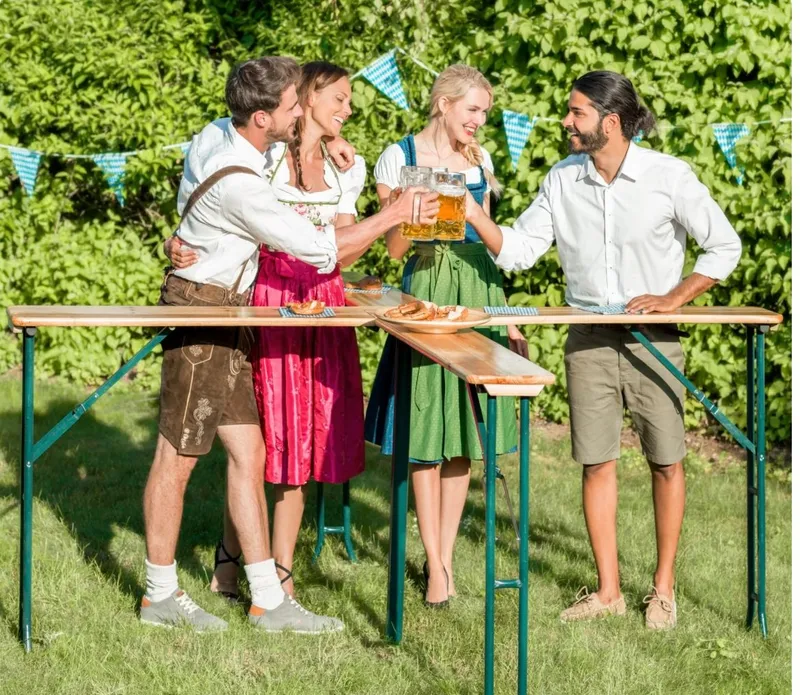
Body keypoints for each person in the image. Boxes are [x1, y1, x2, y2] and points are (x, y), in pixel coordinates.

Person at [141, 55, 438, 634]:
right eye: (292, 106)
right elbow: (319, 249)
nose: (301, 110)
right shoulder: (243, 187)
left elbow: (197, 183)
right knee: (176, 455)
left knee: (249, 453)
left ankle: (267, 599)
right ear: (261, 118)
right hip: (203, 309)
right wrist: (394, 214)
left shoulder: (220, 135)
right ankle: (159, 594)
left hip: (230, 307)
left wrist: (185, 233)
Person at [464, 70, 742, 630]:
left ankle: (663, 589)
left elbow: (723, 246)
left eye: (577, 113)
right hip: (587, 337)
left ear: (610, 122)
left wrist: (674, 297)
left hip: (653, 339)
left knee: (667, 460)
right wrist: (471, 213)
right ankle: (609, 590)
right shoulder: (562, 179)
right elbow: (519, 250)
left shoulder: (668, 176)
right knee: (596, 462)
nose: (566, 121)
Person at [167, 62, 370, 601]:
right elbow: (212, 199)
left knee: (290, 442)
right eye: (337, 98)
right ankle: (222, 568)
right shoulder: (260, 158)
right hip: (263, 300)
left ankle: (276, 576)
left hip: (313, 303)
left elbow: (343, 249)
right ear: (303, 100)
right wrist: (180, 239)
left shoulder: (342, 167)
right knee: (256, 439)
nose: (346, 110)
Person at [364, 64, 529, 608]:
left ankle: (445, 559)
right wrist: (409, 209)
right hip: (428, 288)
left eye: (485, 112)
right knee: (426, 426)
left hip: (477, 291)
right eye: (472, 109)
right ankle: (433, 562)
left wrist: (508, 318)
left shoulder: (481, 160)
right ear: (444, 104)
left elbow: (491, 246)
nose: (479, 120)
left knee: (462, 435)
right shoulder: (399, 157)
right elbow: (393, 250)